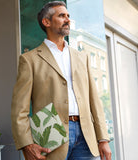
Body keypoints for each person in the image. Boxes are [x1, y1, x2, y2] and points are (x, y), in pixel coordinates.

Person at [11, 1, 112, 160]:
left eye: (68, 16)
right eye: (61, 16)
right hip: (51, 137)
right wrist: (26, 144)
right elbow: (19, 109)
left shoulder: (81, 57)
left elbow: (94, 101)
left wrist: (103, 138)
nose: (67, 19)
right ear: (47, 22)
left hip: (86, 136)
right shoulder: (29, 60)